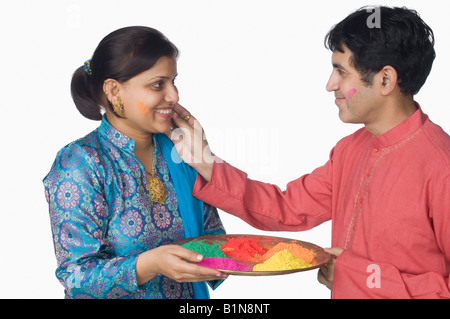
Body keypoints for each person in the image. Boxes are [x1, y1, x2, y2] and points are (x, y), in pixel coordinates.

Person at [167, 6, 450, 298]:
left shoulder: (441, 167)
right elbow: (287, 209)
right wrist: (206, 161)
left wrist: (359, 278)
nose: (330, 85)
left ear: (385, 80)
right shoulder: (349, 150)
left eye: (341, 71)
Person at [43, 26, 227, 299]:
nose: (174, 96)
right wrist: (149, 265)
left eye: (174, 81)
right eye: (158, 84)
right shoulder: (82, 163)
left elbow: (212, 240)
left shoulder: (182, 151)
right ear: (114, 90)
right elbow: (75, 276)